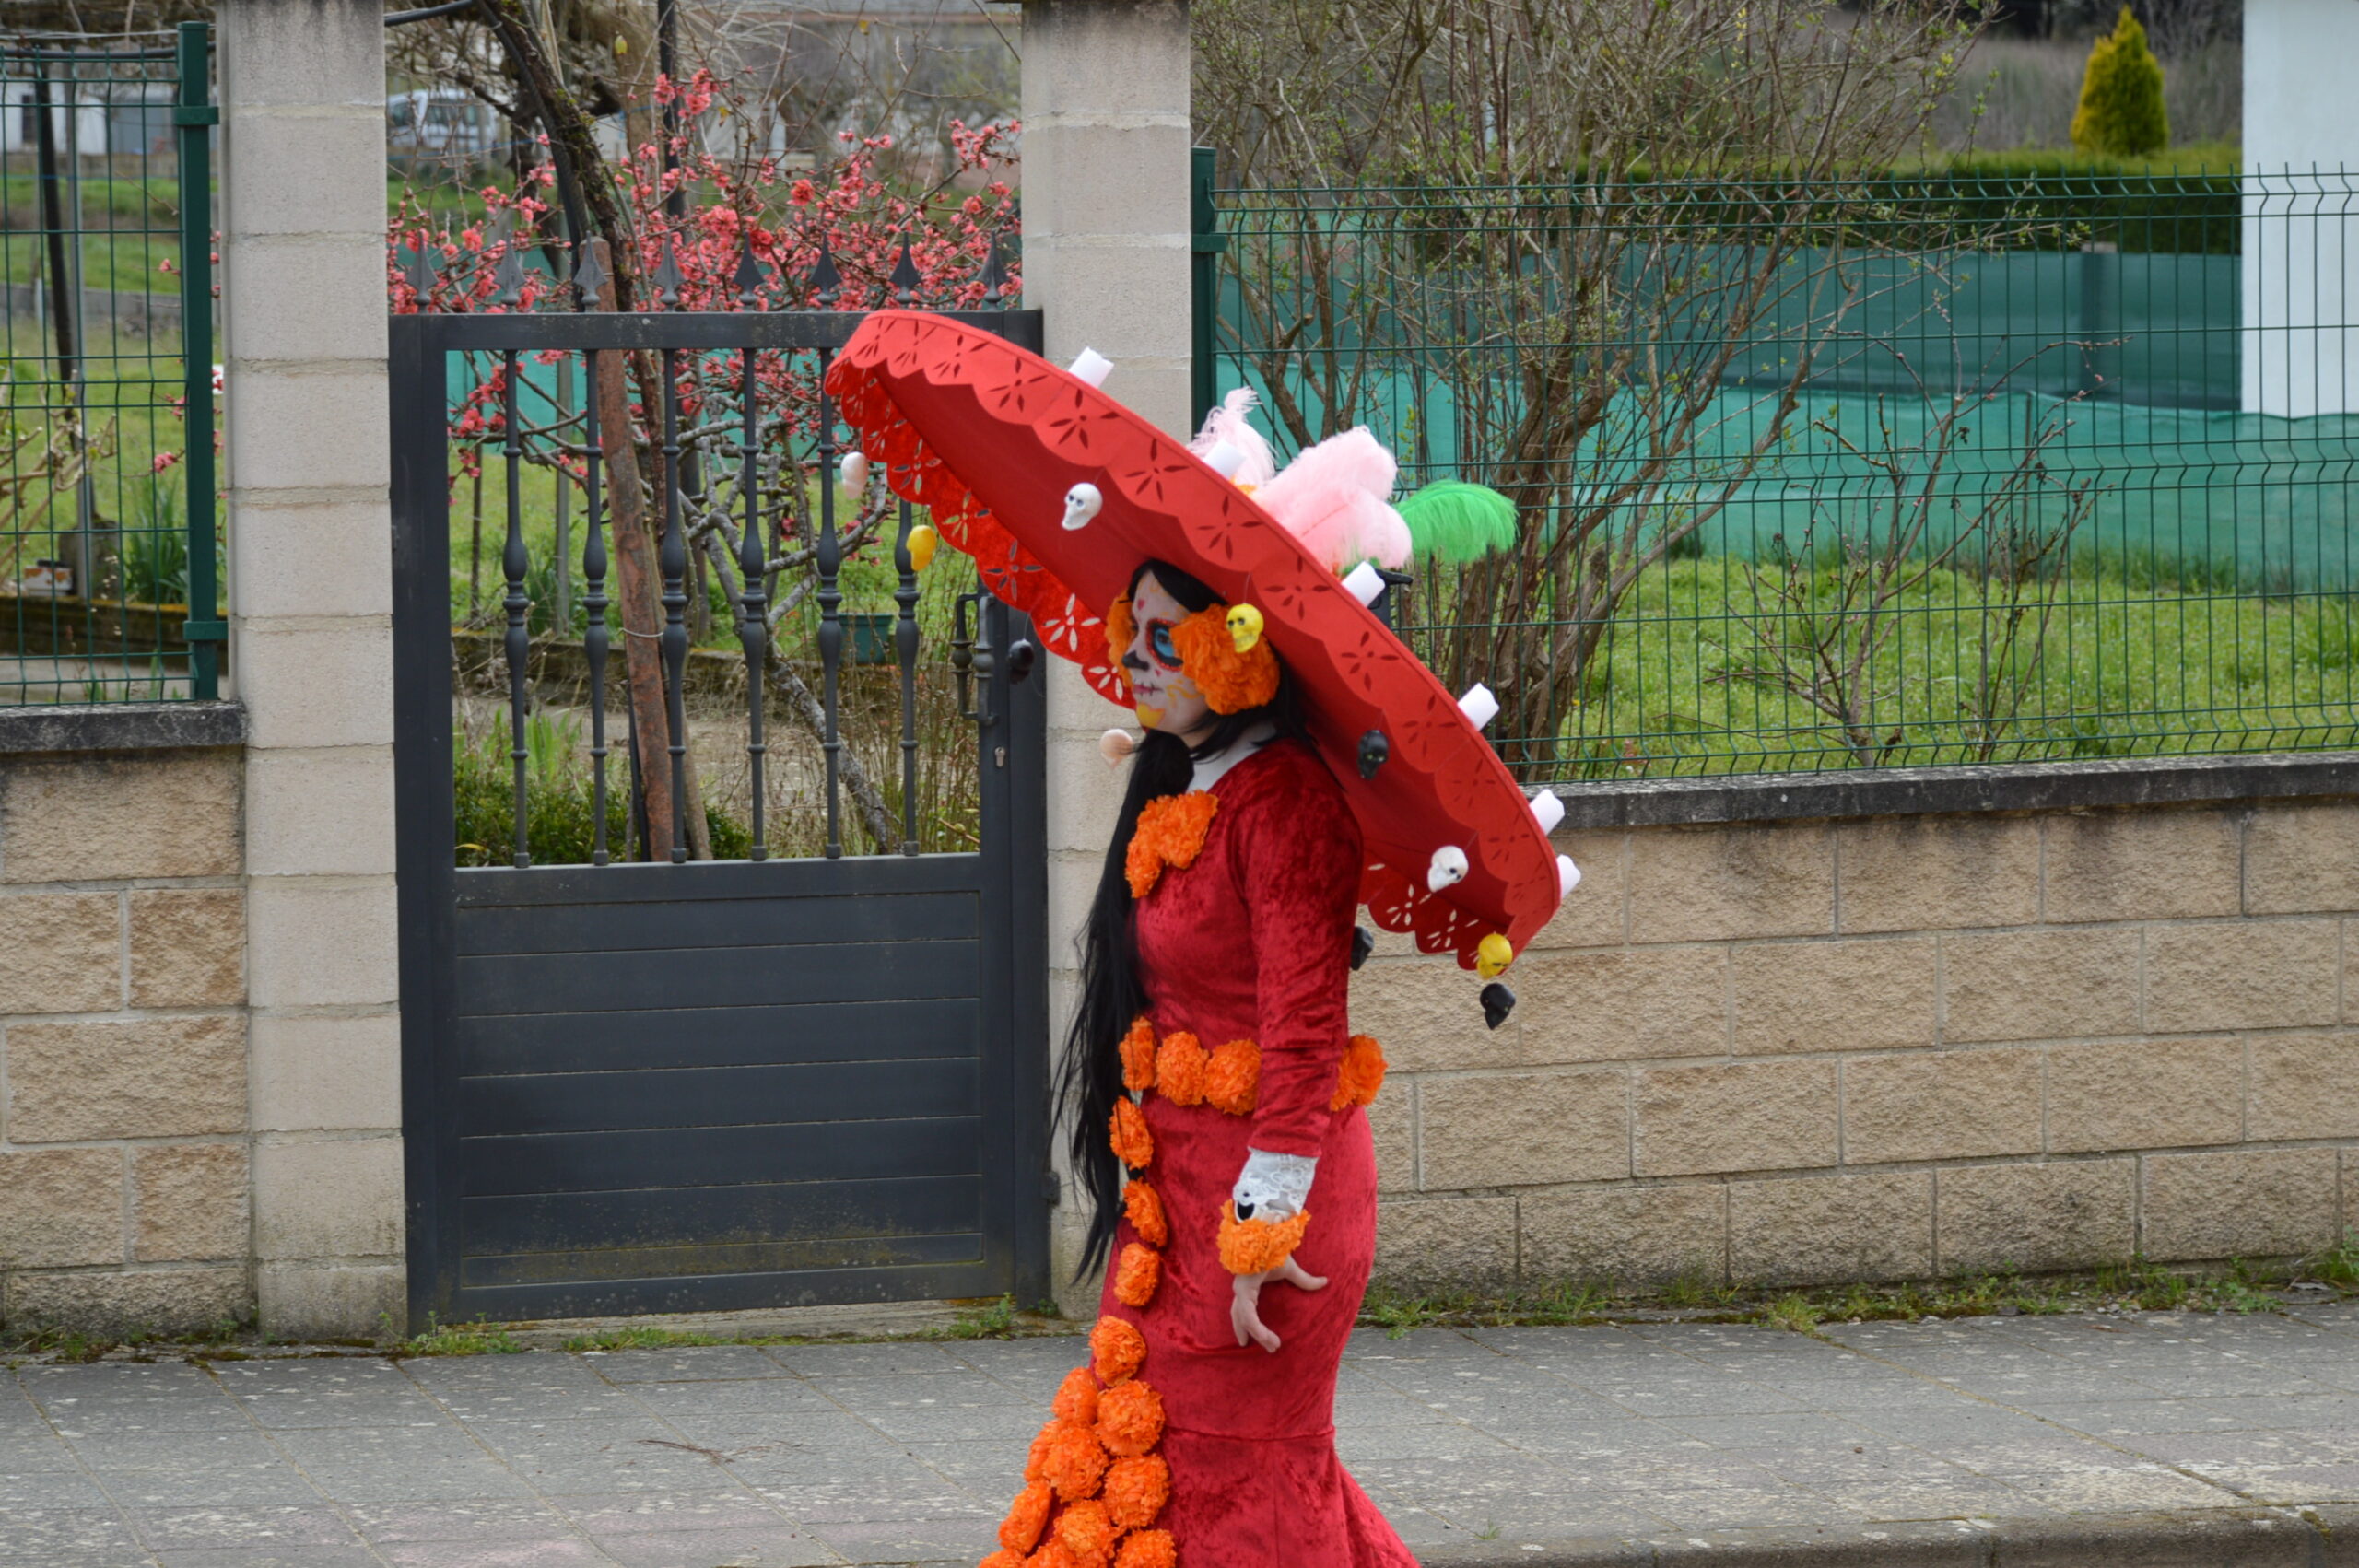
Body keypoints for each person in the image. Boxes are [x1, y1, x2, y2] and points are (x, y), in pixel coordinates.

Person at [821, 313, 1574, 1568]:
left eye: (1168, 634)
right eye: (1134, 629)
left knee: (1244, 1496)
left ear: (1240, 646)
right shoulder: (1202, 783)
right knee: (1172, 1474)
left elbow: (1304, 1031)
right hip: (1178, 1205)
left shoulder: (1284, 805)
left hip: (1261, 1223)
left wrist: (1260, 1239)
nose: (1136, 654)